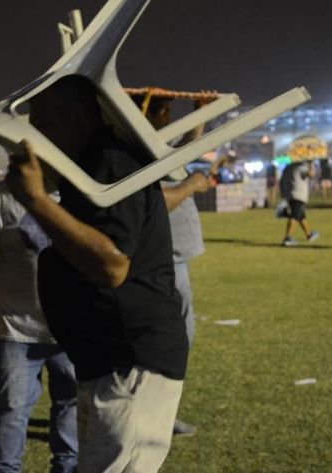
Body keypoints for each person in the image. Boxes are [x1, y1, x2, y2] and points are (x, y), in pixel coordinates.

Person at [6, 76, 188, 472]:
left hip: (130, 359)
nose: (37, 138)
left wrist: (37, 200)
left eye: (44, 124)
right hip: (106, 358)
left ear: (75, 115)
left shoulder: (111, 163)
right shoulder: (90, 165)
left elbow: (112, 264)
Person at [0, 180, 78, 473]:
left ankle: (68, 467)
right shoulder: (1, 196)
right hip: (15, 327)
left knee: (71, 403)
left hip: (70, 329)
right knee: (11, 407)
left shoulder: (79, 188)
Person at [132, 92, 211, 437]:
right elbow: (155, 203)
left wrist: (201, 114)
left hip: (174, 260)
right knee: (166, 341)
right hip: (161, 262)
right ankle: (152, 415)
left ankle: (160, 412)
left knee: (177, 338)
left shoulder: (154, 148)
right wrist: (191, 185)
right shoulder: (137, 153)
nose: (168, 116)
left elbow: (188, 145)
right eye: (162, 109)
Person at [279, 160, 320, 246]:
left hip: (289, 194)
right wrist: (311, 165)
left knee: (301, 215)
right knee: (294, 216)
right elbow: (312, 175)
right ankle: (288, 238)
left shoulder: (287, 167)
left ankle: (309, 234)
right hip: (299, 194)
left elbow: (281, 181)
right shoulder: (302, 167)